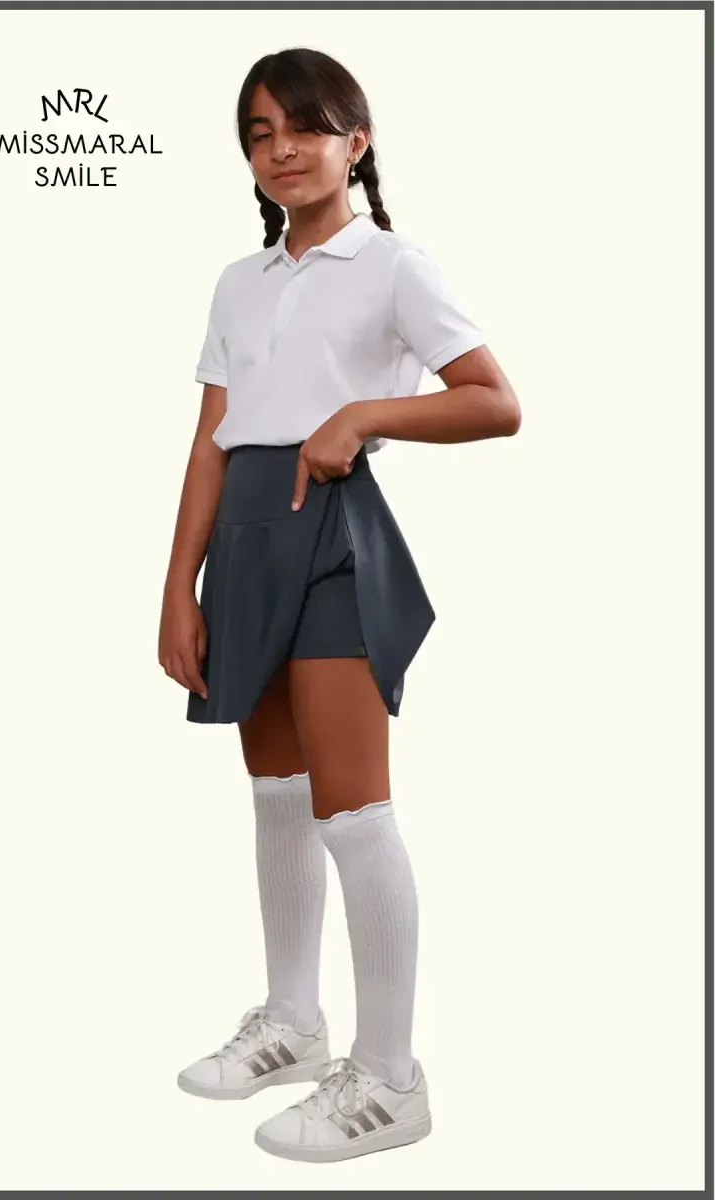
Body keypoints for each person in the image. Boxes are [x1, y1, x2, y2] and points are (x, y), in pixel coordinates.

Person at [159, 47, 520, 1164]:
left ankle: (391, 1077)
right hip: (243, 542)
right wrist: (177, 587)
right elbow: (211, 441)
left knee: (352, 814)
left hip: (330, 540)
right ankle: (294, 1022)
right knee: (277, 798)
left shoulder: (395, 266)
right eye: (259, 134)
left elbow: (494, 401)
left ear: (354, 142)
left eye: (304, 128)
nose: (281, 150)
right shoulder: (239, 281)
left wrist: (361, 416)